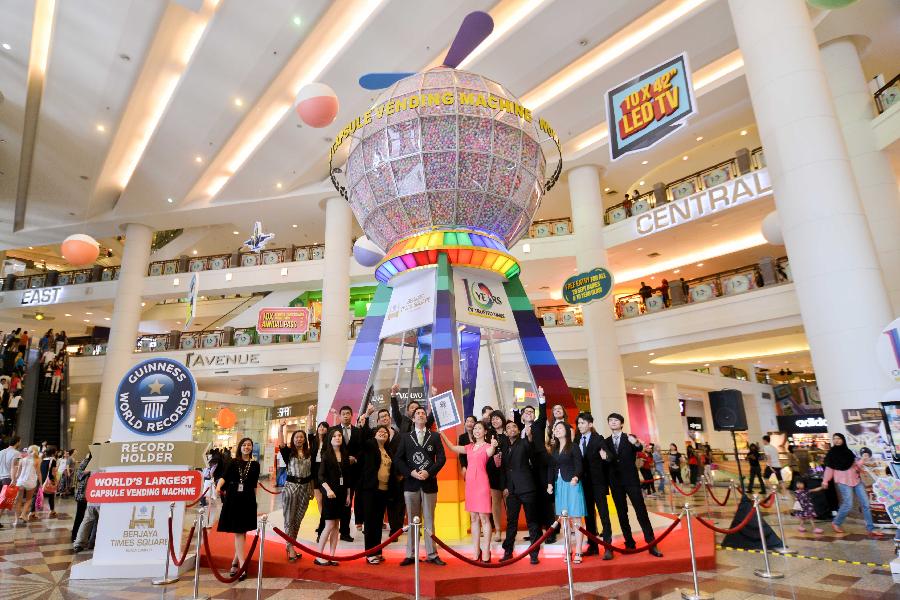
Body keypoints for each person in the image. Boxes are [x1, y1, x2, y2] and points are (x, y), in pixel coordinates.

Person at [601, 414, 663, 557]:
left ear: (621, 424)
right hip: (615, 482)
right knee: (622, 514)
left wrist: (635, 443)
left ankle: (651, 543)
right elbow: (607, 460)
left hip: (631, 480)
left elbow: (639, 448)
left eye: (616, 420)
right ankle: (629, 542)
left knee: (641, 511)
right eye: (610, 420)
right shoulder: (606, 441)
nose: (613, 422)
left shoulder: (629, 438)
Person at [395, 406, 447, 566]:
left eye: (423, 413)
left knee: (430, 520)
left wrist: (429, 472)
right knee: (412, 520)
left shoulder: (435, 436)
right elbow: (398, 459)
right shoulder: (405, 437)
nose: (421, 415)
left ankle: (432, 554)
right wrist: (410, 472)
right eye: (418, 413)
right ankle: (411, 554)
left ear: (426, 418)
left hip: (429, 484)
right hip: (411, 484)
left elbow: (442, 459)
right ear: (413, 418)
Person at [440, 422, 498, 562]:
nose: (477, 430)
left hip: (482, 483)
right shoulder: (469, 447)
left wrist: (494, 445)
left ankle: (486, 550)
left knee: (484, 517)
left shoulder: (488, 446)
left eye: (480, 428)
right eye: (475, 428)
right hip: (470, 484)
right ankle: (476, 550)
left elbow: (490, 452)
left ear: (485, 432)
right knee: (473, 518)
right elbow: (453, 447)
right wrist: (443, 435)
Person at [818, 433, 883, 538]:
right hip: (843, 481)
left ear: (843, 440)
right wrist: (825, 481)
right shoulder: (831, 454)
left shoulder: (848, 452)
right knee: (848, 504)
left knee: (866, 504)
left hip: (856, 480)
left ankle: (870, 528)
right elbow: (829, 469)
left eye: (839, 438)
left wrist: (863, 460)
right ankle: (836, 522)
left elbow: (854, 465)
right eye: (834, 439)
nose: (836, 441)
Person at [216, 438, 260, 580]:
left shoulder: (255, 465)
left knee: (243, 530)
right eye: (244, 445)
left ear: (252, 448)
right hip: (234, 497)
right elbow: (224, 477)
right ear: (240, 447)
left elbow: (254, 485)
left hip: (247, 498)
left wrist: (255, 502)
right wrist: (218, 487)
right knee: (239, 531)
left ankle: (235, 561)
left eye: (249, 445)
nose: (247, 447)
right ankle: (242, 564)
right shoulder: (233, 462)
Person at [500, 419, 542, 564]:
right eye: (508, 428)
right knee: (511, 522)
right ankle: (508, 551)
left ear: (518, 430)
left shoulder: (524, 442)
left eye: (514, 427)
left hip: (527, 487)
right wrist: (505, 486)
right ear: (505, 432)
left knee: (532, 522)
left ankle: (534, 553)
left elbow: (531, 446)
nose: (511, 429)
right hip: (511, 490)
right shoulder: (503, 447)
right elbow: (504, 469)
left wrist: (530, 437)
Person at [358, 404, 404, 535]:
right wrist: (366, 416)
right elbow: (363, 438)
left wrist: (401, 474)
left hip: (393, 480)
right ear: (377, 421)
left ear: (390, 418)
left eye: (386, 416)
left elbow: (403, 455)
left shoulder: (398, 436)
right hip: (373, 485)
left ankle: (394, 532)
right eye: (381, 417)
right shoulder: (373, 440)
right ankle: (371, 548)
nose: (384, 418)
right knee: (373, 516)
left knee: (394, 507)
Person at [574, 412, 614, 560]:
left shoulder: (599, 439)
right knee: (589, 516)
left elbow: (609, 456)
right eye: (578, 423)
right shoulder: (577, 439)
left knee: (604, 514)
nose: (580, 426)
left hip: (598, 483)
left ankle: (608, 547)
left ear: (590, 424)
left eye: (583, 423)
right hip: (583, 484)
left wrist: (606, 457)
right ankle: (593, 546)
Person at [547, 421, 585, 563]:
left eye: (561, 427)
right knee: (564, 520)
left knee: (575, 518)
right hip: (560, 485)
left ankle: (579, 551)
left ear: (567, 431)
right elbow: (551, 468)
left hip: (572, 484)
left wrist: (576, 477)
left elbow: (579, 465)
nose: (558, 430)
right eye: (556, 428)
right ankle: (568, 549)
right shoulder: (554, 449)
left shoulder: (573, 446)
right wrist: (550, 483)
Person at [359, 424, 395, 564]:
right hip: (370, 490)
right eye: (380, 432)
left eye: (385, 432)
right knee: (370, 522)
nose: (382, 433)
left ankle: (378, 551)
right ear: (374, 435)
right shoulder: (370, 446)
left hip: (383, 491)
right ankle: (369, 553)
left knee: (378, 522)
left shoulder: (388, 451)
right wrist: (364, 422)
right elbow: (362, 440)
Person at [315, 428, 350, 566]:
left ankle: (332, 555)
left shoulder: (345, 455)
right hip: (329, 495)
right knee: (329, 524)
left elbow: (347, 478)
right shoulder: (326, 455)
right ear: (330, 439)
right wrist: (328, 490)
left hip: (341, 494)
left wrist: (348, 494)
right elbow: (320, 476)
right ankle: (318, 555)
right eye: (334, 436)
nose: (337, 437)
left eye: (339, 435)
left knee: (336, 525)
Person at [279, 425, 313, 562]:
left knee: (298, 519)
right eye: (297, 437)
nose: (299, 439)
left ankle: (291, 544)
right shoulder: (289, 453)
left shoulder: (309, 453)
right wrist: (281, 428)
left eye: (301, 437)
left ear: (304, 439)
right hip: (291, 488)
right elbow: (281, 444)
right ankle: (290, 547)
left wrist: (311, 489)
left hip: (305, 488)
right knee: (289, 518)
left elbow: (311, 475)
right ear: (293, 439)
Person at [334, 405, 361, 542]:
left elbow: (361, 450)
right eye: (343, 413)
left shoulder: (357, 431)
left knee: (347, 502)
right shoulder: (334, 431)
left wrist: (355, 458)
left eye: (348, 413)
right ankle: (328, 530)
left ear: (352, 415)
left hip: (353, 474)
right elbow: (328, 450)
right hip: (336, 473)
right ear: (339, 416)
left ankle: (345, 532)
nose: (346, 415)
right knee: (334, 502)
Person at [486, 409, 508, 543]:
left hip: (507, 472)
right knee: (495, 503)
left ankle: (511, 529)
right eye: (492, 419)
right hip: (493, 472)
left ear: (502, 419)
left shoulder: (508, 432)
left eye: (497, 418)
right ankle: (498, 530)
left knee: (509, 502)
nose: (495, 420)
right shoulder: (488, 435)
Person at [15, 445, 40, 524]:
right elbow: (38, 473)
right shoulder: (37, 460)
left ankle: (16, 519)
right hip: (31, 482)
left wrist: (14, 481)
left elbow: (18, 473)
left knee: (18, 500)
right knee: (28, 500)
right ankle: (23, 514)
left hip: (21, 481)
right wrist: (41, 483)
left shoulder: (22, 460)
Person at [71, 451, 92, 545]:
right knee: (80, 515)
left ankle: (85, 537)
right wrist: (88, 471)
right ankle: (75, 535)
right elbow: (79, 475)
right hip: (83, 493)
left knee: (89, 517)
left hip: (92, 493)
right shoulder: (86, 461)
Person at [0, 436, 21, 527]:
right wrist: (14, 479)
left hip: (0, 477)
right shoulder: (16, 453)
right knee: (4, 502)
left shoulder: (1, 452)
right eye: (20, 441)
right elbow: (14, 467)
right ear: (17, 442)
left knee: (2, 500)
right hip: (8, 478)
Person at [39, 446, 59, 518]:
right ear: (53, 452)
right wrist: (54, 480)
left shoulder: (43, 459)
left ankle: (33, 511)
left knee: (40, 495)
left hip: (42, 479)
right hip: (49, 479)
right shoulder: (53, 460)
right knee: (51, 495)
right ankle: (52, 510)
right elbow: (53, 472)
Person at [457, 415, 477, 480]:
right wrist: (463, 467)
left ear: (475, 424)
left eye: (472, 422)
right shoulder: (462, 437)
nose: (469, 423)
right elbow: (461, 454)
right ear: (465, 424)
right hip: (468, 467)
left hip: (479, 466)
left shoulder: (479, 435)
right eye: (467, 421)